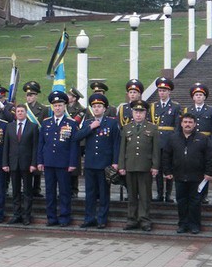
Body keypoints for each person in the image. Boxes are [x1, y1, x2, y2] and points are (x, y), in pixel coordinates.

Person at [72, 93, 120, 229]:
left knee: (104, 194)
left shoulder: (111, 122)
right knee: (90, 193)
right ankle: (89, 218)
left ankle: (102, 219)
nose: (97, 109)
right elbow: (76, 137)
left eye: (99, 106)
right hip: (90, 164)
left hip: (105, 164)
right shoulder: (88, 122)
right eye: (94, 107)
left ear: (105, 108)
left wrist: (115, 162)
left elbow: (116, 143)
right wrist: (90, 128)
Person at [162, 113, 212, 235]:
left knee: (195, 202)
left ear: (195, 124)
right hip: (179, 175)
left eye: (190, 122)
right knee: (181, 201)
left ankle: (195, 225)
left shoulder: (202, 138)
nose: (187, 124)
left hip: (197, 176)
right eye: (185, 122)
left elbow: (210, 157)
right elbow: (166, 156)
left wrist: (209, 172)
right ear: (181, 123)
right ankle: (183, 224)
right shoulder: (173, 138)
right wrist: (167, 171)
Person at [37, 90, 79, 226]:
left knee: (65, 192)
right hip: (49, 162)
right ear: (52, 107)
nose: (57, 108)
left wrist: (73, 162)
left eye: (60, 105)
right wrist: (40, 161)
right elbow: (41, 144)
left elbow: (74, 145)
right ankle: (51, 217)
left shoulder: (71, 123)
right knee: (50, 192)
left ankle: (64, 217)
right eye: (55, 106)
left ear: (64, 106)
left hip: (64, 163)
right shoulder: (46, 123)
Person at [118, 100, 160, 232]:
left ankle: (144, 220)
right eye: (136, 111)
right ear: (132, 112)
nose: (138, 114)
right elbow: (122, 149)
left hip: (145, 166)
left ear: (145, 113)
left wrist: (155, 166)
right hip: (130, 165)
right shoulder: (126, 128)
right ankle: (132, 219)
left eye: (141, 112)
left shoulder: (152, 128)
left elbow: (156, 150)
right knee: (131, 195)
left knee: (144, 195)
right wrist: (121, 166)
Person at [2, 104, 39, 225]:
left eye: (22, 111)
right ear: (15, 113)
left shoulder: (33, 127)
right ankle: (16, 214)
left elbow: (35, 147)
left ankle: (26, 216)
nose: (20, 113)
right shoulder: (10, 126)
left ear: (26, 113)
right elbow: (6, 146)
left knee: (27, 191)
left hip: (27, 164)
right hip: (13, 163)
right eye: (18, 111)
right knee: (15, 191)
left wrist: (34, 163)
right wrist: (5, 163)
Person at [184, 83, 212, 203]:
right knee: (193, 168)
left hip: (206, 143)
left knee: (205, 169)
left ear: (205, 97)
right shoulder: (188, 110)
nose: (198, 97)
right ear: (193, 97)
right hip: (192, 142)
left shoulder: (211, 110)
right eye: (196, 95)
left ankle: (204, 194)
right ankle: (193, 193)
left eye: (200, 95)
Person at [151, 77, 182, 203]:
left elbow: (177, 126)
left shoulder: (175, 106)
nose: (162, 93)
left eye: (164, 90)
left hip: (170, 141)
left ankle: (168, 194)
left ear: (169, 92)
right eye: (160, 90)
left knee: (169, 169)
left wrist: (174, 141)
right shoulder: (153, 107)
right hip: (157, 141)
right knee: (157, 169)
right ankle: (159, 193)